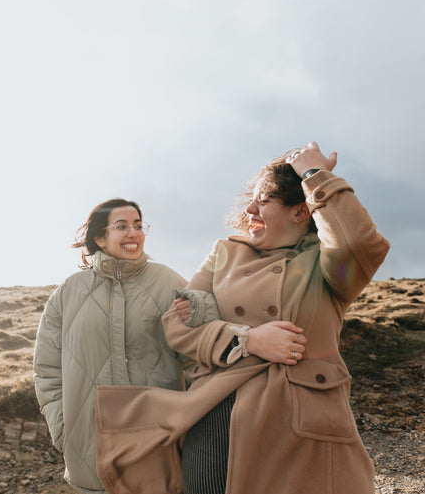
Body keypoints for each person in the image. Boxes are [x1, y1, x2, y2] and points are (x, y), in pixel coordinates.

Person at [94, 142, 390, 494]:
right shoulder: (225, 253)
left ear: (300, 212)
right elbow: (178, 323)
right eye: (252, 197)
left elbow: (362, 243)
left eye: (264, 199)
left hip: (302, 421)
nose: (249, 207)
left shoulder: (329, 265)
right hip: (217, 413)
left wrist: (316, 176)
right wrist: (246, 339)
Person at [33, 198, 307, 494]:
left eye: (138, 226)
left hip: (155, 442)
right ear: (100, 238)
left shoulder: (168, 282)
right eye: (121, 226)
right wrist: (63, 428)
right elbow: (47, 368)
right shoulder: (68, 292)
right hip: (88, 444)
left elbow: (199, 350)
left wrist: (249, 337)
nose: (133, 233)